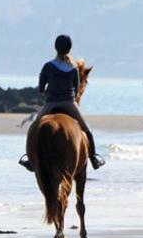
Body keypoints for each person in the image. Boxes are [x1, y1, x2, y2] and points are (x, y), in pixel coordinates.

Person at [19, 34, 106, 171]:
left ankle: (30, 159)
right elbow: (76, 90)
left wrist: (50, 89)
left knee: (33, 127)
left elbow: (41, 89)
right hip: (69, 104)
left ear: (55, 48)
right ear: (69, 49)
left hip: (51, 103)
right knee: (87, 130)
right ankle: (94, 157)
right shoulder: (73, 68)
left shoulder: (48, 66)